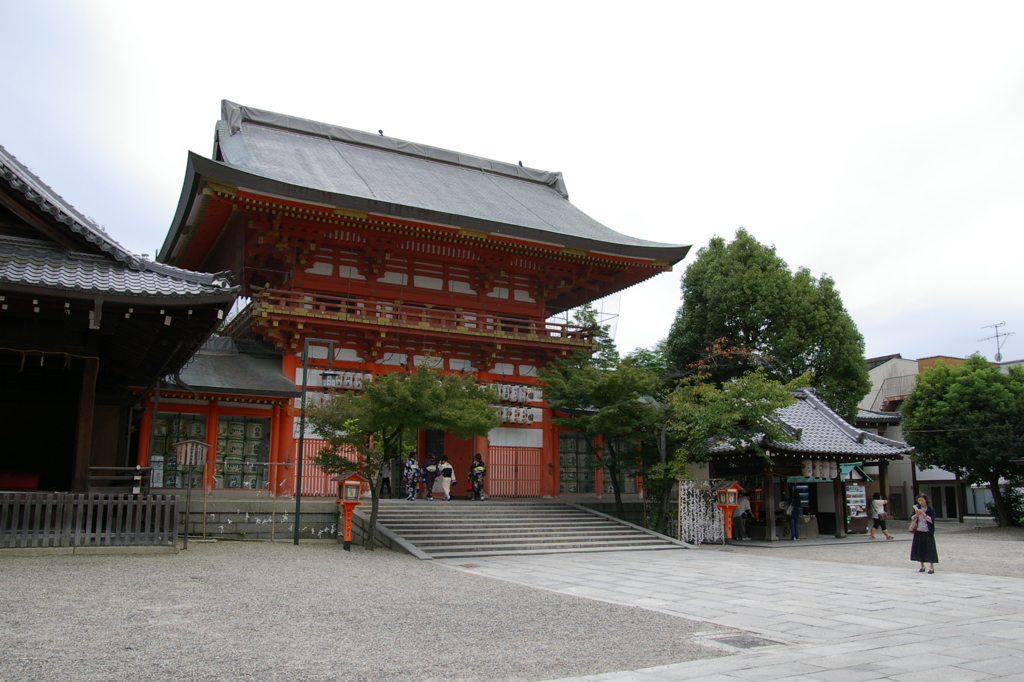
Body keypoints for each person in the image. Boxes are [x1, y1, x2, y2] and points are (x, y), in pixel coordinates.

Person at [910, 494, 939, 573]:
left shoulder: (930, 509)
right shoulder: (917, 508)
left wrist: (924, 514)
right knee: (920, 548)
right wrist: (917, 514)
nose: (921, 502)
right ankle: (922, 566)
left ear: (926, 500)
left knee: (930, 549)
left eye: (922, 500)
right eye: (919, 500)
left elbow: (932, 520)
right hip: (919, 530)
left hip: (927, 531)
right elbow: (912, 518)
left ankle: (931, 567)